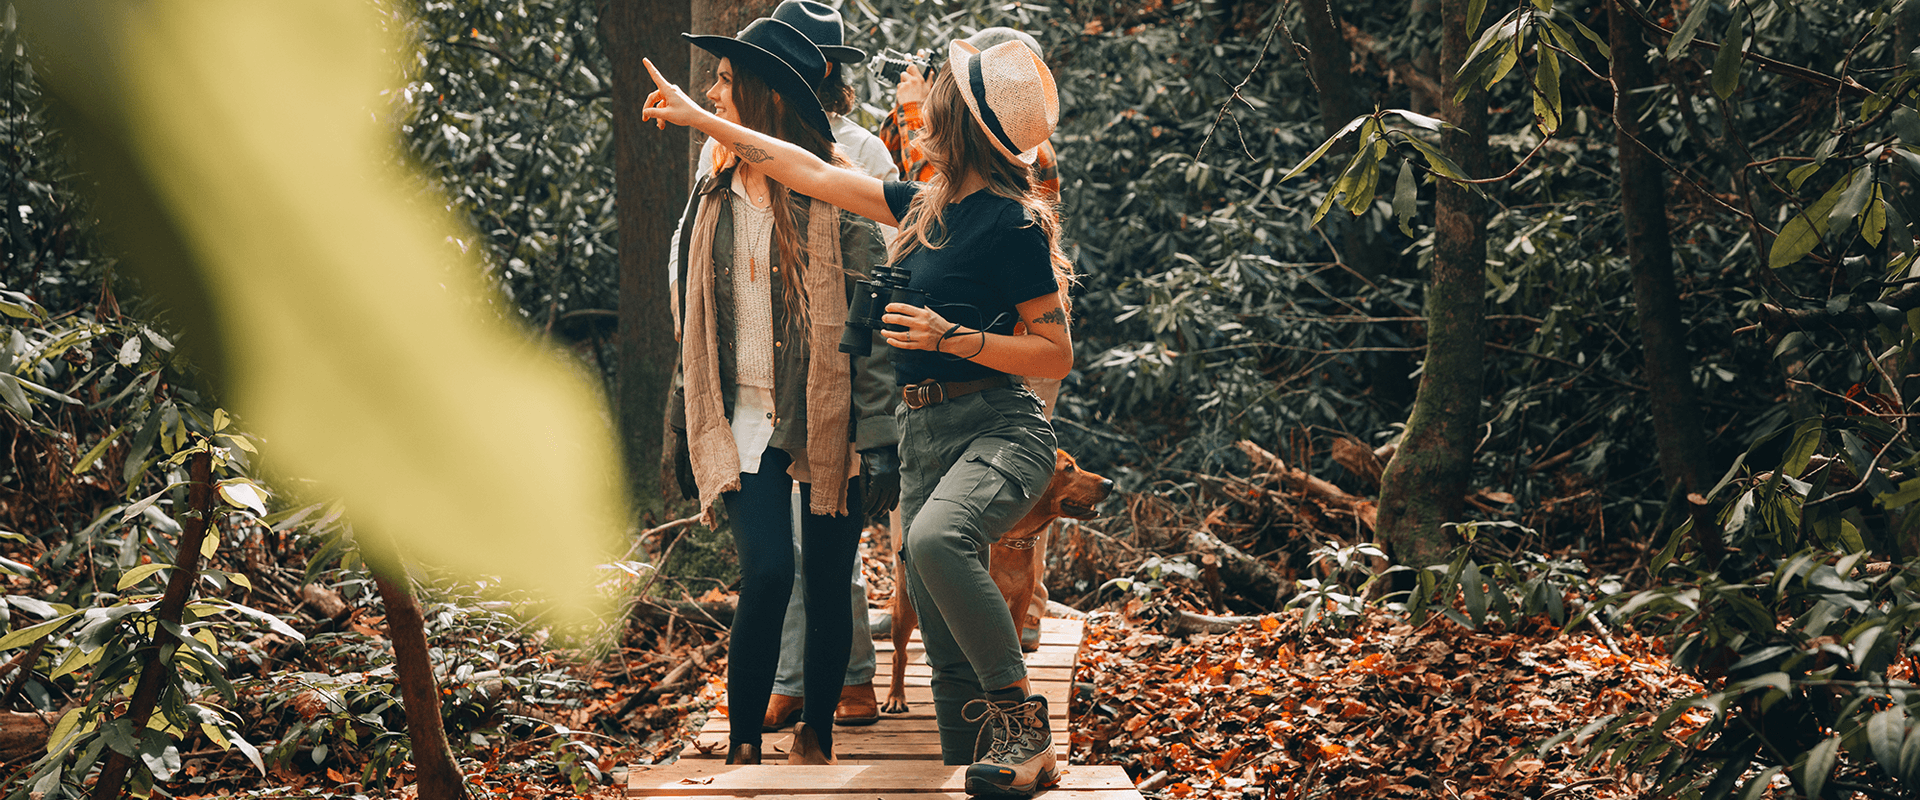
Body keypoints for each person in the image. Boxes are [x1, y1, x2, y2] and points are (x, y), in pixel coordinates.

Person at [645, 35, 1073, 797]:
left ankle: (1025, 727)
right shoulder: (923, 206)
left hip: (996, 422)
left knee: (939, 542)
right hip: (924, 434)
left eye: (933, 103)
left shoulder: (1012, 223)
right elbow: (804, 167)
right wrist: (699, 120)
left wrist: (957, 339)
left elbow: (1054, 353)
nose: (919, 115)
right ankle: (981, 755)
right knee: (942, 653)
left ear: (960, 123)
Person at [662, 13, 897, 767]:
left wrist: (881, 437)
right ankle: (740, 745)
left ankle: (818, 732)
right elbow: (694, 316)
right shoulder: (713, 185)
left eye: (727, 79)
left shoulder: (833, 189)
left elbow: (874, 324)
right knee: (766, 570)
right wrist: (682, 419)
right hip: (743, 415)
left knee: (828, 578)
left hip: (827, 414)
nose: (713, 90)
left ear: (761, 93)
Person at [881, 26, 1062, 652]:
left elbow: (1053, 347)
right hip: (930, 406)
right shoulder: (945, 194)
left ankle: (1022, 623)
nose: (929, 94)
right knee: (937, 554)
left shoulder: (1012, 209)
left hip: (995, 383)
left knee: (960, 529)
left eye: (942, 93)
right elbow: (925, 194)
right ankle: (989, 649)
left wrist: (952, 337)